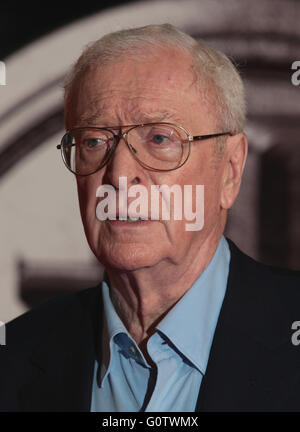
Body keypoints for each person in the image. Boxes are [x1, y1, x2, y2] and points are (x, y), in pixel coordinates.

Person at [0, 24, 299, 412]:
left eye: (160, 138)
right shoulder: (12, 360)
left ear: (229, 170)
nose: (120, 176)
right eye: (94, 141)